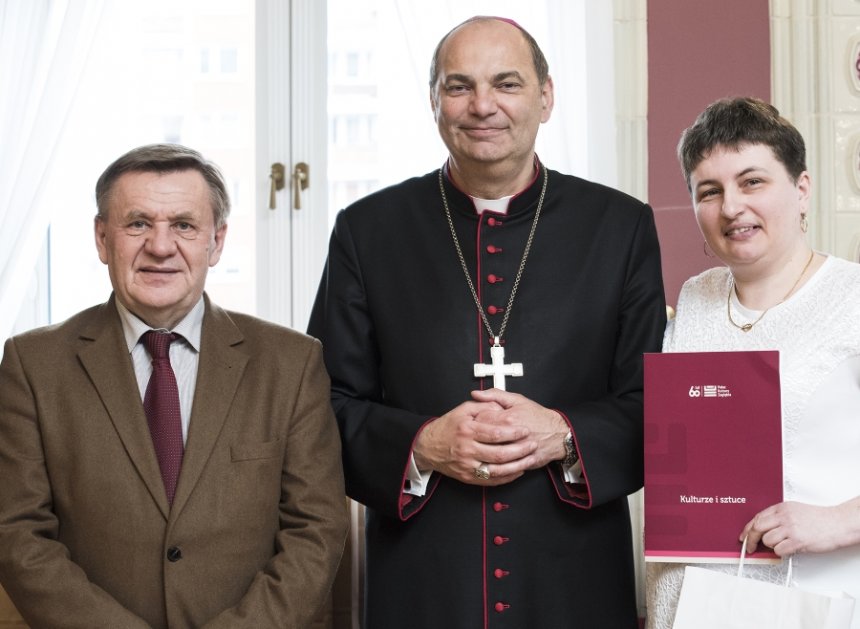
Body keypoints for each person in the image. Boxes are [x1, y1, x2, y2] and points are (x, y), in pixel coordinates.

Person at [308, 16, 666, 629]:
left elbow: (653, 403)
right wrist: (423, 445)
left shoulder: (620, 226)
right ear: (434, 102)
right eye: (459, 86)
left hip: (573, 579)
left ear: (546, 97)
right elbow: (324, 407)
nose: (482, 106)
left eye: (506, 83)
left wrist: (563, 434)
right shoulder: (367, 231)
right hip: (424, 582)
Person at [0, 144, 349, 628]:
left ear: (216, 241)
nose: (161, 246)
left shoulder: (292, 363)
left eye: (184, 225)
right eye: (138, 223)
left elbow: (316, 531)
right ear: (102, 238)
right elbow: (18, 535)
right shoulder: (32, 365)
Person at [645, 97, 860, 628]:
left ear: (802, 188)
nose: (731, 207)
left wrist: (839, 521)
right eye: (709, 191)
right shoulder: (694, 299)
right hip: (690, 601)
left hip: (813, 599)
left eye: (752, 182)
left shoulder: (852, 299)